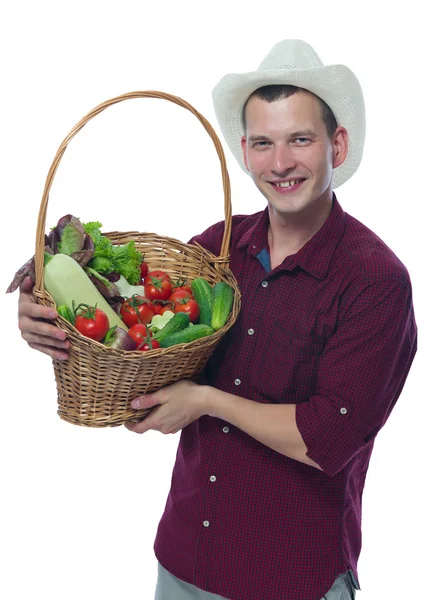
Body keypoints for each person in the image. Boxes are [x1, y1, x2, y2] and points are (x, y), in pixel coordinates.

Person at [17, 40, 418, 600]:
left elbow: (326, 439)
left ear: (338, 144)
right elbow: (138, 341)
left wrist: (206, 401)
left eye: (300, 139)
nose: (280, 163)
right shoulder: (216, 251)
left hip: (292, 578)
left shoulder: (375, 282)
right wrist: (47, 320)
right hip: (184, 560)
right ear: (245, 151)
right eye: (262, 143)